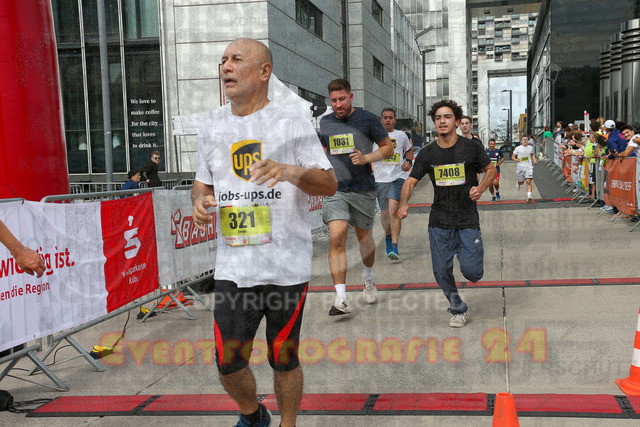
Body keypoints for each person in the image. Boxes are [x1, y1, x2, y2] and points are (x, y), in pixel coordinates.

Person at [191, 38, 337, 427]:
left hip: (286, 267)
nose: (226, 67)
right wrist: (199, 201)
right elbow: (202, 183)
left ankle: (288, 423)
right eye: (223, 60)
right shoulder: (211, 126)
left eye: (236, 59)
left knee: (283, 357)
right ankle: (254, 415)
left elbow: (328, 183)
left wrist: (289, 171)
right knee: (227, 361)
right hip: (234, 267)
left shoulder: (291, 122)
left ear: (264, 71)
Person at [398, 99, 496, 328]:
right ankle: (457, 308)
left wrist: (481, 188)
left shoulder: (471, 147)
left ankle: (469, 257)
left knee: (472, 273)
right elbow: (410, 182)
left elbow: (490, 169)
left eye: (447, 117)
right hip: (439, 220)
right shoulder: (427, 153)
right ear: (434, 122)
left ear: (457, 121)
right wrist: (403, 203)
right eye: (438, 118)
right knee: (441, 270)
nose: (442, 121)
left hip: (467, 218)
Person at [319, 78, 393, 315]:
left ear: (351, 97)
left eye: (342, 99)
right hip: (336, 190)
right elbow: (323, 152)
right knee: (337, 237)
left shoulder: (368, 119)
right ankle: (341, 298)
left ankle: (368, 278)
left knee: (365, 240)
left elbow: (388, 148)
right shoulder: (325, 122)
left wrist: (366, 158)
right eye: (334, 100)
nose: (338, 104)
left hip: (363, 189)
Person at [373, 108, 413, 260]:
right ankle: (388, 236)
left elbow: (409, 150)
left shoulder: (401, 135)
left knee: (393, 210)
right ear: (381, 120)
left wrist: (408, 161)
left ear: (395, 120)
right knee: (385, 214)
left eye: (390, 117)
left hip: (398, 177)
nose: (388, 120)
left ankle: (395, 246)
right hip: (380, 179)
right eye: (385, 117)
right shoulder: (374, 136)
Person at [512, 135, 538, 202]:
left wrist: (534, 159)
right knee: (522, 182)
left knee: (528, 181)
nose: (525, 140)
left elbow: (532, 154)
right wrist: (515, 159)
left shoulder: (530, 148)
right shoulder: (518, 148)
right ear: (521, 141)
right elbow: (513, 156)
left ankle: (529, 196)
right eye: (524, 139)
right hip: (520, 167)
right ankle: (518, 182)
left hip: (528, 166)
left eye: (526, 139)